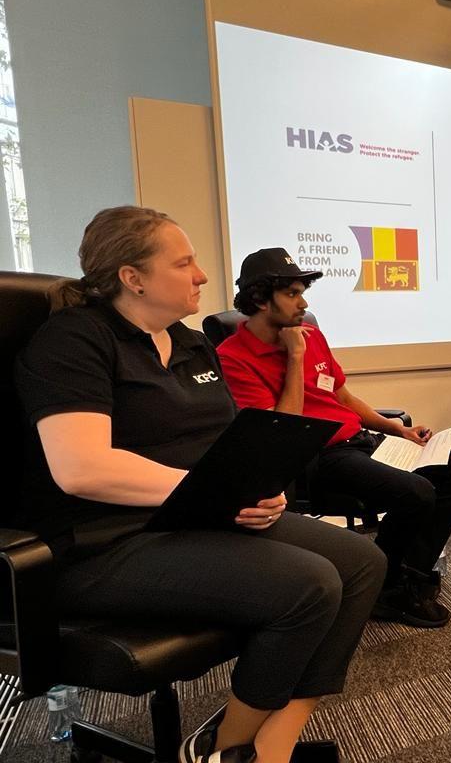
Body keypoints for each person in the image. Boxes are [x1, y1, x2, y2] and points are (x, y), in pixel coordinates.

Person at [14, 207, 386, 763]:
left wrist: (259, 488)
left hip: (194, 519)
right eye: (183, 262)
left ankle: (261, 741)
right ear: (132, 277)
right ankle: (231, 750)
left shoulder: (189, 343)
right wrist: (214, 491)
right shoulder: (74, 341)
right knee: (310, 584)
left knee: (362, 563)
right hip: (101, 544)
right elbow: (82, 468)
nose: (202, 276)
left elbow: (226, 445)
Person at [217, 248, 451, 629]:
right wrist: (295, 358)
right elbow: (282, 431)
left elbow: (340, 396)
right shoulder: (233, 357)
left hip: (358, 442)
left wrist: (398, 430)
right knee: (418, 492)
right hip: (315, 458)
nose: (303, 303)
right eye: (292, 293)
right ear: (260, 298)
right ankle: (388, 588)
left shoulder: (312, 335)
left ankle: (406, 574)